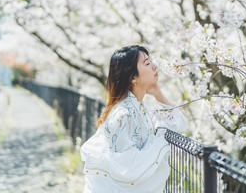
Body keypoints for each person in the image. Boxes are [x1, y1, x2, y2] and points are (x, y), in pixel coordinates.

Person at [80, 45, 187, 193]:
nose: (155, 67)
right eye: (148, 64)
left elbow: (179, 124)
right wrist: (161, 141)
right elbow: (126, 166)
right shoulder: (123, 114)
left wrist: (158, 94)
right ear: (133, 78)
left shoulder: (140, 108)